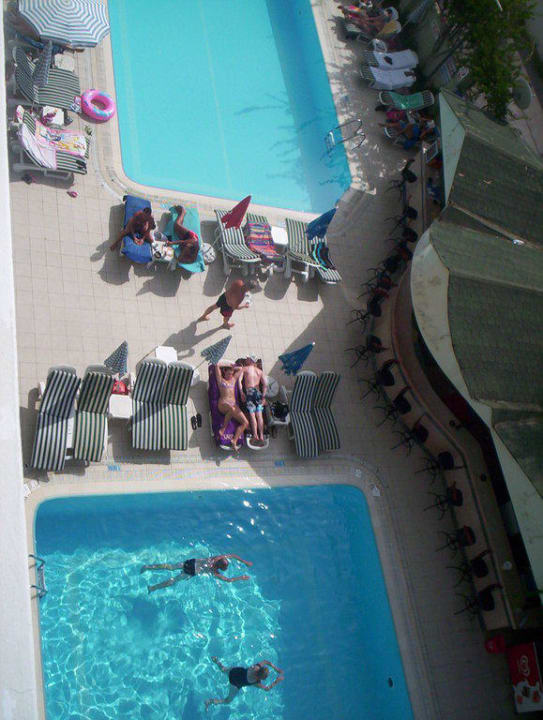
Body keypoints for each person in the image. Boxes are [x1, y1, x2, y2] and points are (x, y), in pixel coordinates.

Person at [140, 553, 252, 593]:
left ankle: (148, 567)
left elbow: (232, 555)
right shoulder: (214, 571)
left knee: (170, 567)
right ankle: (152, 588)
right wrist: (241, 577)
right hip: (192, 571)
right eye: (225, 567)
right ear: (220, 567)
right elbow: (228, 580)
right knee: (173, 580)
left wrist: (245, 561)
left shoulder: (217, 557)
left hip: (191, 562)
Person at [205, 657, 284, 710]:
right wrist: (276, 681)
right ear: (261, 678)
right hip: (234, 683)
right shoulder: (255, 682)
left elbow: (266, 662)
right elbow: (266, 689)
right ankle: (210, 701)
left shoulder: (256, 667)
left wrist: (276, 669)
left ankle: (216, 661)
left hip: (234, 671)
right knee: (227, 700)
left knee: (223, 669)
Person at [215, 362, 249, 451]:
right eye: (228, 373)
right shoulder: (220, 380)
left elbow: (242, 369)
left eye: (231, 374)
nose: (230, 375)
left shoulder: (233, 380)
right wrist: (228, 365)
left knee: (246, 423)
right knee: (231, 409)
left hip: (233, 406)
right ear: (224, 372)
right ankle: (223, 429)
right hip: (223, 405)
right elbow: (217, 365)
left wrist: (233, 367)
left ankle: (234, 440)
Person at [239, 356, 267, 443]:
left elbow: (239, 381)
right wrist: (263, 396)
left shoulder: (245, 368)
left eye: (247, 359)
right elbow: (265, 385)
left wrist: (241, 393)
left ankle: (255, 435)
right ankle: (261, 435)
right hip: (258, 393)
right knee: (259, 415)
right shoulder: (260, 371)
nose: (246, 360)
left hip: (250, 392)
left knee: (252, 414)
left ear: (250, 360)